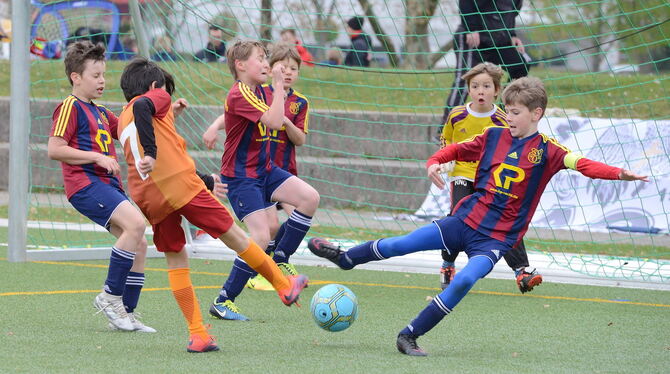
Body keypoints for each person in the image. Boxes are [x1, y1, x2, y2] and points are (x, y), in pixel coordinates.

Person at [308, 76, 648, 356]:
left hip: (496, 238)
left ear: (536, 113)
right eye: (508, 111)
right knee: (403, 243)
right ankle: (347, 259)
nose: (509, 117)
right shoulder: (493, 135)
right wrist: (434, 163)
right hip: (464, 221)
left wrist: (619, 173)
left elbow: (584, 165)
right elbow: (455, 150)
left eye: (515, 112)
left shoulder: (549, 150)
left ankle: (409, 335)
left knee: (466, 279)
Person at [116, 57, 309, 352]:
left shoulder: (123, 119)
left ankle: (198, 335)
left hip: (148, 196)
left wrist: (204, 178)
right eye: (163, 92)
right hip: (178, 186)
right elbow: (148, 112)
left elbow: (164, 145)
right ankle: (284, 286)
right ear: (155, 87)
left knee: (176, 259)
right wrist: (154, 151)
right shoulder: (153, 98)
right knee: (238, 237)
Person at [203, 39, 319, 321]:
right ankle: (224, 300)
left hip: (264, 170)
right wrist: (279, 87)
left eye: (267, 59)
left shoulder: (257, 90)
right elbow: (273, 121)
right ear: (241, 65)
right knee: (260, 235)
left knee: (310, 198)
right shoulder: (240, 92)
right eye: (260, 59)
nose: (267, 64)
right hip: (242, 177)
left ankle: (278, 260)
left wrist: (276, 88)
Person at [46, 41, 155, 333]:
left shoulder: (102, 112)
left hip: (107, 185)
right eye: (95, 75)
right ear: (76, 77)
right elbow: (55, 148)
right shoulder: (69, 107)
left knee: (140, 243)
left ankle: (126, 314)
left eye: (104, 74)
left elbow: (129, 132)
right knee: (136, 224)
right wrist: (96, 156)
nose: (102, 81)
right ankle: (108, 296)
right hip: (85, 184)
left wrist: (171, 116)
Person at [438, 62, 542, 293]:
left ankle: (521, 270)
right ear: (468, 90)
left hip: (492, 178)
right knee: (457, 219)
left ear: (496, 90)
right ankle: (448, 263)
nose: (480, 91)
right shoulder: (456, 115)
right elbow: (446, 138)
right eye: (475, 86)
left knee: (504, 219)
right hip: (463, 175)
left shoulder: (503, 119)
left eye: (486, 86)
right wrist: (446, 159)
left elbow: (514, 144)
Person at [442, 0, 532, 124]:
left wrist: (512, 35)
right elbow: (466, 3)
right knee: (463, 80)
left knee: (520, 65)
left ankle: (503, 119)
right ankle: (445, 129)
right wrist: (471, 29)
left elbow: (510, 14)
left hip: (498, 40)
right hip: (473, 38)